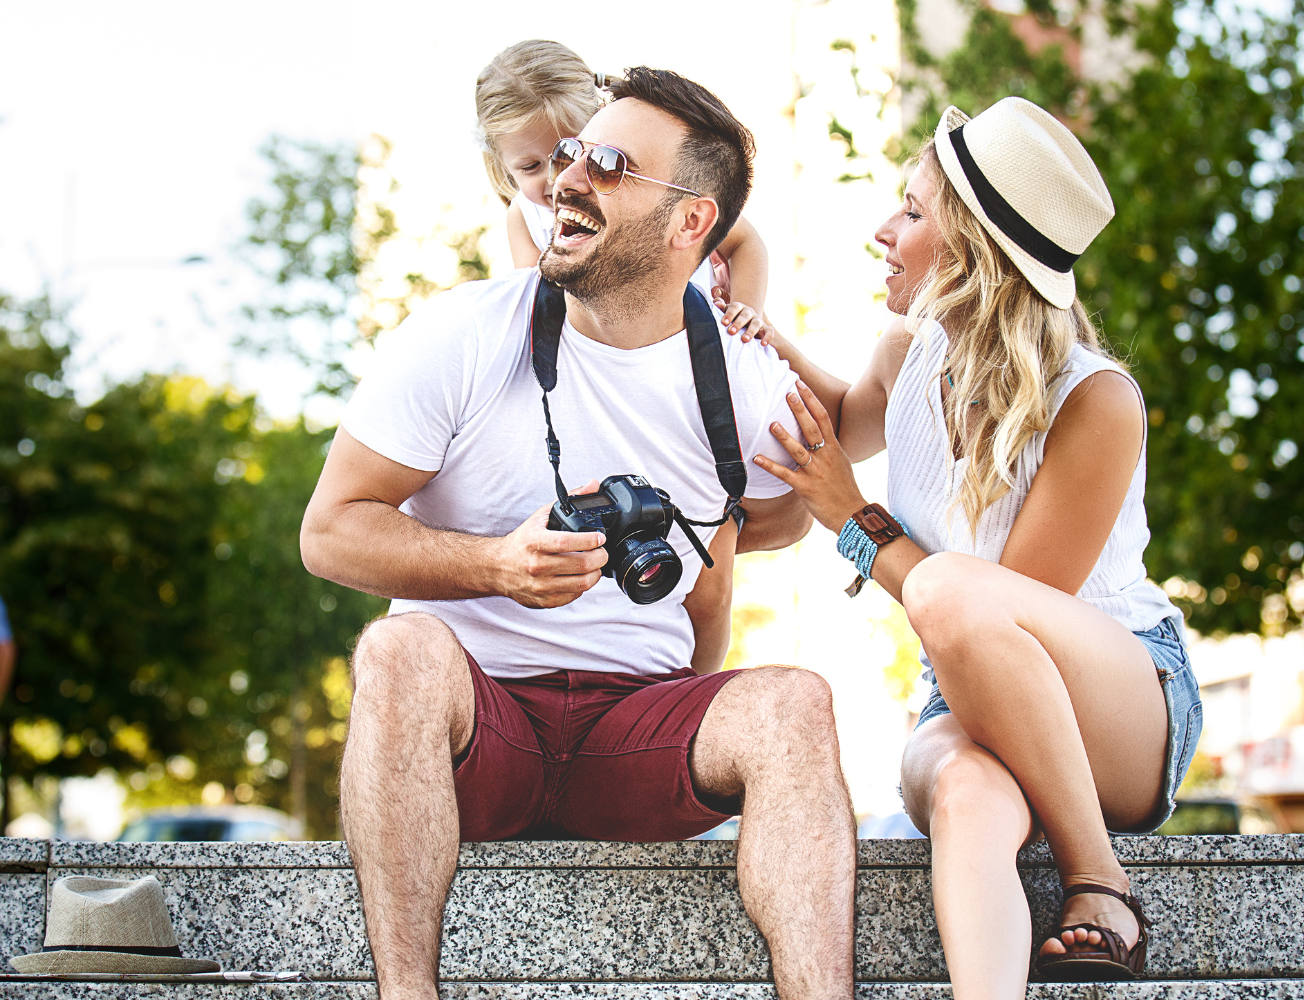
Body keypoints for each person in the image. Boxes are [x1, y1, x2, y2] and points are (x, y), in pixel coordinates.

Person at [301, 67, 855, 1000]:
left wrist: (725, 529)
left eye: (608, 162)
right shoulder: (462, 333)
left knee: (794, 701)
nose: (566, 178)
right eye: (568, 154)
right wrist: (495, 565)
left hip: (629, 737)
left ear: (692, 223)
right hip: (480, 729)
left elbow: (798, 508)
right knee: (396, 653)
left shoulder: (747, 379)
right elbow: (329, 533)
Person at [741, 98, 1204, 992]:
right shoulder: (910, 354)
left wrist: (854, 523)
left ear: (976, 252)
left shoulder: (1095, 402)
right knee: (964, 792)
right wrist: (758, 330)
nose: (884, 229)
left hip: (1119, 705)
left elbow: (990, 615)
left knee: (955, 592)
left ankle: (1100, 885)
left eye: (912, 212)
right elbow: (840, 422)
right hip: (956, 701)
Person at [479, 39, 769, 337]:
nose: (560, 178)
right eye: (531, 167)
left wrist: (746, 308)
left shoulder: (656, 195)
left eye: (574, 151)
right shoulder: (523, 216)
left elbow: (745, 242)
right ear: (503, 165)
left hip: (701, 339)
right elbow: (537, 303)